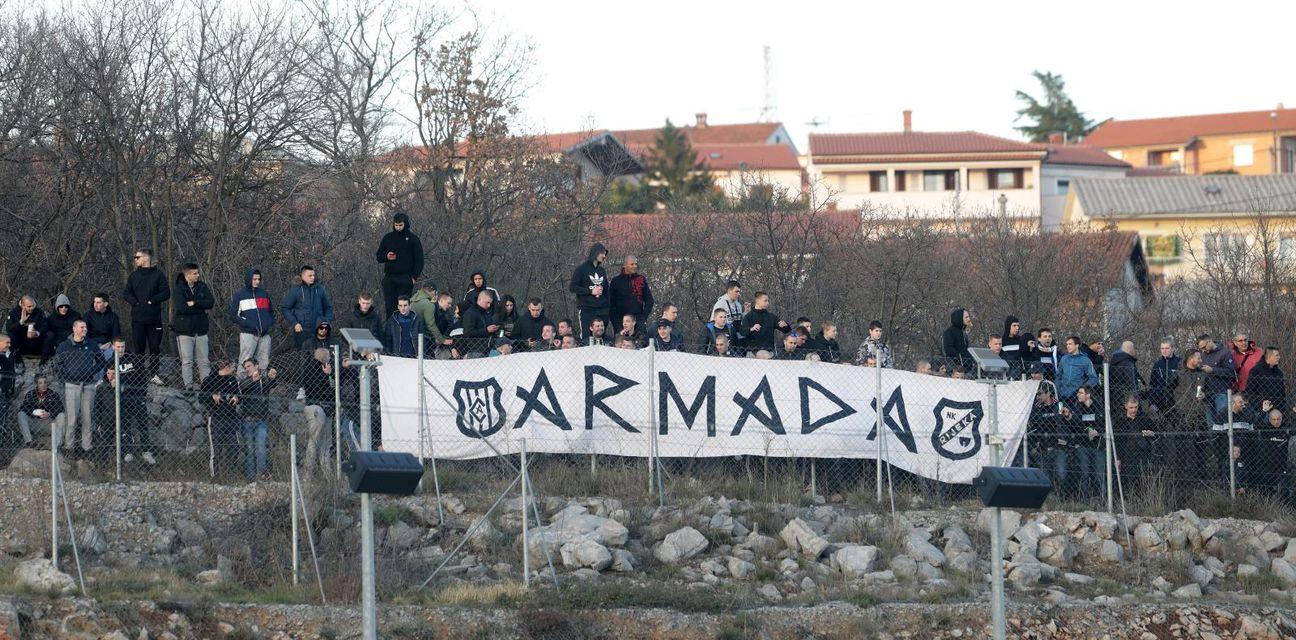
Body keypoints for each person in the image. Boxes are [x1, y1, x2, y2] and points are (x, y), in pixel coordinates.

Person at [53, 320, 105, 458]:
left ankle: (87, 447)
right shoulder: (65, 346)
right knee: (72, 418)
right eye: (82, 327)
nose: (85, 329)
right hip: (71, 385)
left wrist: (91, 372)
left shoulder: (92, 344)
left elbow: (101, 361)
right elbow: (57, 364)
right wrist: (65, 377)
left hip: (88, 385)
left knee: (88, 418)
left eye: (86, 327)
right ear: (74, 328)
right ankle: (69, 447)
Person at [122, 249, 170, 381]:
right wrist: (135, 303)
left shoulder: (158, 275)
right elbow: (126, 293)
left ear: (146, 258)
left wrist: (153, 300)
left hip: (154, 319)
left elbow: (166, 292)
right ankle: (138, 374)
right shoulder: (134, 276)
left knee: (154, 347)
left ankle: (154, 374)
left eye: (137, 257)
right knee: (139, 348)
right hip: (137, 319)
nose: (135, 259)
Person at [111, 337, 154, 465]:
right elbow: (107, 379)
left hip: (136, 397)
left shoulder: (134, 359)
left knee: (143, 425)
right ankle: (127, 452)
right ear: (113, 347)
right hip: (122, 399)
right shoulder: (111, 362)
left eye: (122, 347)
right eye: (118, 347)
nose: (120, 349)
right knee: (124, 426)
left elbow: (143, 377)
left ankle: (146, 451)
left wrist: (142, 395)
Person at [172, 263, 216, 389]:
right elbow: (181, 308)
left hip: (201, 330)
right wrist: (200, 308)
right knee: (187, 361)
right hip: (184, 331)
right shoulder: (178, 289)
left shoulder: (202, 286)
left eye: (198, 273)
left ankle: (207, 387)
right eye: (195, 273)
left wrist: (195, 303)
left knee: (204, 361)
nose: (197, 275)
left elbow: (210, 302)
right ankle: (189, 387)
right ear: (187, 274)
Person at [1060, 385, 1105, 502]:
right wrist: (1069, 416)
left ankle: (1103, 500)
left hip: (1098, 446)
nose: (1077, 395)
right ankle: (1084, 500)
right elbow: (1076, 425)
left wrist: (1098, 431)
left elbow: (1105, 423)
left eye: (1080, 393)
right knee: (1084, 473)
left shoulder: (1099, 407)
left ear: (1088, 395)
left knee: (1100, 474)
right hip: (1083, 446)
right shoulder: (1077, 407)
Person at [375, 212, 425, 317]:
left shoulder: (413, 239)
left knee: (403, 307)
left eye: (400, 225)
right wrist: (386, 257)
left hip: (405, 277)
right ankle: (391, 331)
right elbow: (379, 257)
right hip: (390, 277)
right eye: (396, 225)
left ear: (405, 224)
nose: (398, 227)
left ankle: (404, 329)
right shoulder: (388, 238)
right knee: (390, 307)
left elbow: (419, 260)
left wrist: (414, 277)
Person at [229, 268, 275, 380]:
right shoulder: (239, 295)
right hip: (248, 334)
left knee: (263, 362)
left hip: (264, 335)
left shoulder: (264, 294)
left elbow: (271, 313)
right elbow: (233, 315)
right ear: (249, 279)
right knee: (245, 361)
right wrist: (248, 324)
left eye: (258, 279)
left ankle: (263, 388)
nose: (257, 281)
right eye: (254, 279)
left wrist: (268, 324)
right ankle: (240, 388)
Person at [238, 359, 277, 481]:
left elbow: (271, 384)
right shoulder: (244, 382)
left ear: (257, 366)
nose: (247, 369)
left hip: (261, 420)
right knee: (249, 449)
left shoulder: (263, 381)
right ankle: (250, 478)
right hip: (247, 420)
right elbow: (241, 391)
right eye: (245, 367)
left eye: (249, 366)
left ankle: (263, 474)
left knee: (261, 447)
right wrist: (252, 381)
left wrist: (272, 377)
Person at [200, 361, 241, 475]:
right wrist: (212, 395)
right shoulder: (209, 380)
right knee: (216, 451)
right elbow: (201, 397)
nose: (235, 369)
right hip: (216, 418)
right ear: (226, 367)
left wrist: (237, 397)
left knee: (234, 448)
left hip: (231, 419)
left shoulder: (233, 380)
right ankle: (215, 478)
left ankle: (230, 475)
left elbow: (239, 395)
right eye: (233, 367)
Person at [301, 348, 338, 473]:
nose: (330, 359)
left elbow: (333, 389)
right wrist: (327, 375)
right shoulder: (311, 368)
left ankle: (327, 476)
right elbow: (318, 387)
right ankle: (308, 474)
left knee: (326, 444)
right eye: (328, 357)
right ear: (323, 358)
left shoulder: (327, 370)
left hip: (327, 409)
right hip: (316, 407)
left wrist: (329, 375)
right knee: (314, 441)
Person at [283, 265, 335, 351]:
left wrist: (326, 322)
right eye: (310, 276)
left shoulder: (320, 289)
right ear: (302, 276)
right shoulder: (296, 290)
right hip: (302, 330)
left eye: (313, 275)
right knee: (303, 358)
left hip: (319, 330)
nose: (312, 277)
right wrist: (295, 323)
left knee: (320, 357)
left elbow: (328, 308)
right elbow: (285, 308)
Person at [1111, 395, 1158, 481]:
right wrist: (1117, 458)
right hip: (1126, 456)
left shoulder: (1143, 417)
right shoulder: (1120, 420)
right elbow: (1116, 441)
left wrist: (1151, 433)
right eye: (1131, 407)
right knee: (1127, 481)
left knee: (1143, 480)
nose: (1134, 410)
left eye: (1136, 407)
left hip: (1143, 454)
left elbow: (1157, 432)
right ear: (1125, 406)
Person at [569, 242, 610, 340]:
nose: (604, 256)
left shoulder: (602, 271)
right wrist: (590, 291)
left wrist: (607, 308)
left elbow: (606, 291)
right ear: (596, 253)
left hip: (601, 309)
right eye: (602, 253)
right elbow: (572, 287)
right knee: (587, 338)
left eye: (605, 254)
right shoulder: (582, 269)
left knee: (601, 337)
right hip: (587, 308)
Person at [5, 295, 48, 388]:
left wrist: (37, 333)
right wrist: (20, 322)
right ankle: (18, 363)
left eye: (32, 306)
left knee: (50, 335)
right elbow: (9, 329)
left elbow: (45, 326)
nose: (32, 308)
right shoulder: (13, 313)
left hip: (36, 342)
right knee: (11, 336)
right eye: (29, 306)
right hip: (21, 344)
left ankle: (42, 365)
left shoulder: (39, 312)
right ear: (23, 306)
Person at [1198, 333, 1236, 427]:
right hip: (1207, 396)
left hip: (1221, 394)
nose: (1203, 350)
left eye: (1204, 347)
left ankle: (1226, 441)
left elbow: (1231, 373)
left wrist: (1213, 370)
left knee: (1223, 423)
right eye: (1201, 348)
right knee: (1211, 426)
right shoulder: (1202, 356)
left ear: (1210, 341)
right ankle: (1213, 441)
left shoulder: (1225, 352)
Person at [17, 375, 63, 448]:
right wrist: (35, 412)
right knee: (21, 414)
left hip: (49, 423)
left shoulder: (54, 394)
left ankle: (58, 445)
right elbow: (23, 408)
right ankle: (29, 442)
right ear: (36, 384)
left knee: (61, 415)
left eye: (45, 382)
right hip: (35, 422)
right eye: (40, 383)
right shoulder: (30, 394)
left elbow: (60, 408)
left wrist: (49, 414)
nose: (43, 385)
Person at [609, 255, 654, 329]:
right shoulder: (616, 281)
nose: (635, 266)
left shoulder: (641, 279)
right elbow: (611, 303)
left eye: (636, 264)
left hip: (638, 322)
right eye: (632, 264)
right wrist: (615, 322)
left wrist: (643, 318)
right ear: (625, 265)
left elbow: (649, 300)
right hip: (621, 324)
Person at [1056, 336, 1099, 402]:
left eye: (1070, 344)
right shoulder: (1064, 359)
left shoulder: (1085, 360)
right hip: (1063, 395)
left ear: (1077, 345)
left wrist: (1084, 389)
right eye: (1067, 344)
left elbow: (1093, 378)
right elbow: (1058, 375)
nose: (1068, 346)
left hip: (1077, 397)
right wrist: (1058, 389)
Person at [43, 294, 80, 365]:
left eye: (66, 306)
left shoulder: (75, 315)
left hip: (72, 338)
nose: (64, 308)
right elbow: (47, 331)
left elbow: (81, 327)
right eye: (61, 306)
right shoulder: (51, 318)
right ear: (57, 307)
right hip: (58, 341)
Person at [1146, 340, 1181, 415]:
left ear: (1172, 349)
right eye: (1162, 348)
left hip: (1177, 401)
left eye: (1167, 348)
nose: (1164, 351)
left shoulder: (1179, 362)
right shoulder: (1157, 365)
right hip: (1160, 403)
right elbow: (1152, 385)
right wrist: (1151, 403)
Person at [1248, 347, 1285, 414]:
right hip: (1261, 410)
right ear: (1269, 356)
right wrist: (1259, 405)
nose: (1279, 357)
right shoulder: (1256, 371)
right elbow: (1250, 391)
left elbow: (1282, 393)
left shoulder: (1279, 373)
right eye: (1276, 355)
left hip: (1278, 410)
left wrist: (1282, 407)